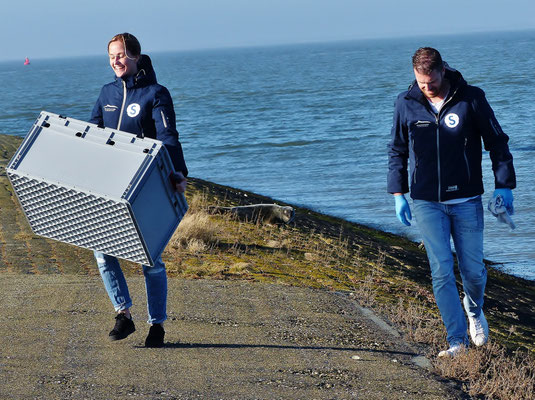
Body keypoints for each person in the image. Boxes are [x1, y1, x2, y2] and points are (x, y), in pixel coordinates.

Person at [387, 47, 516, 358]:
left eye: (431, 82)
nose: (427, 88)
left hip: (467, 200)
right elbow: (397, 151)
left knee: (472, 271)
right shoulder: (405, 104)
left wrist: (504, 185)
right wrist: (398, 194)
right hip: (426, 201)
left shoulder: (471, 98)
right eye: (421, 83)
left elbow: (497, 141)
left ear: (443, 70)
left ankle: (474, 311)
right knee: (441, 269)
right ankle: (456, 340)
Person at [89, 33, 188, 347]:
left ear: (134, 56)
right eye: (111, 56)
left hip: (146, 187)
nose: (115, 61)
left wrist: (177, 173)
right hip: (109, 185)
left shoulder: (155, 93)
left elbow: (168, 135)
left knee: (150, 259)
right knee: (102, 250)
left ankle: (156, 325)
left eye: (120, 55)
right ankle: (124, 314)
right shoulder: (106, 93)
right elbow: (90, 135)